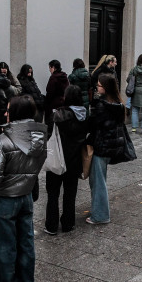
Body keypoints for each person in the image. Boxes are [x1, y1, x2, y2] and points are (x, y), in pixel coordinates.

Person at [0, 95, 47, 282]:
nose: (5, 113)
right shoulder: (39, 137)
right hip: (26, 196)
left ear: (16, 113)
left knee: (4, 245)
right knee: (26, 243)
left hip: (5, 199)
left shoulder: (5, 140)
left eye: (8, 109)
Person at [44, 86, 88, 235]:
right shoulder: (84, 115)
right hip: (74, 160)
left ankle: (51, 225)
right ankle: (68, 223)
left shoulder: (58, 114)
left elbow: (48, 133)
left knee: (53, 193)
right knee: (70, 193)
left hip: (57, 158)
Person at [87, 73, 127, 224]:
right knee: (100, 180)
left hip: (101, 146)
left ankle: (100, 215)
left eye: (99, 85)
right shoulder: (118, 104)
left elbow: (92, 124)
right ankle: (98, 211)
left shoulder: (102, 105)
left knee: (98, 182)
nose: (97, 87)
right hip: (112, 146)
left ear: (105, 87)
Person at [44, 59, 69, 133]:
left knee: (51, 126)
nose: (49, 70)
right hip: (62, 104)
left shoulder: (54, 78)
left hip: (53, 105)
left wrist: (46, 104)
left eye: (50, 68)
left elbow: (50, 92)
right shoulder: (64, 77)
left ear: (53, 67)